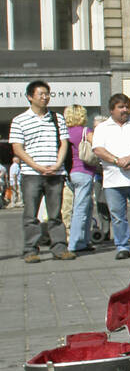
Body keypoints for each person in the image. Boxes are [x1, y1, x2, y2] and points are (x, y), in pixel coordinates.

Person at [9, 79, 74, 262]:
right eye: (41, 94)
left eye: (47, 94)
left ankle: (60, 248)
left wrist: (57, 164)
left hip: (55, 173)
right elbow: (17, 148)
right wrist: (36, 166)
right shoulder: (19, 120)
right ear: (30, 97)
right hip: (32, 174)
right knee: (31, 214)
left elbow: (64, 144)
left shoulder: (57, 118)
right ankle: (30, 250)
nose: (45, 97)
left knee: (56, 214)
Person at [92, 93, 130, 259]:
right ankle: (122, 247)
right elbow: (98, 149)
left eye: (127, 106)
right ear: (112, 110)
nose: (125, 110)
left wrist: (129, 158)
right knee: (118, 217)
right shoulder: (102, 128)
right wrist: (116, 160)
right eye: (121, 107)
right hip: (113, 181)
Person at [65, 104, 98, 253]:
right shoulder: (86, 131)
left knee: (84, 206)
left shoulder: (65, 133)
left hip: (70, 173)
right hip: (84, 172)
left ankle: (85, 240)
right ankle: (75, 243)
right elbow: (98, 146)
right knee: (81, 209)